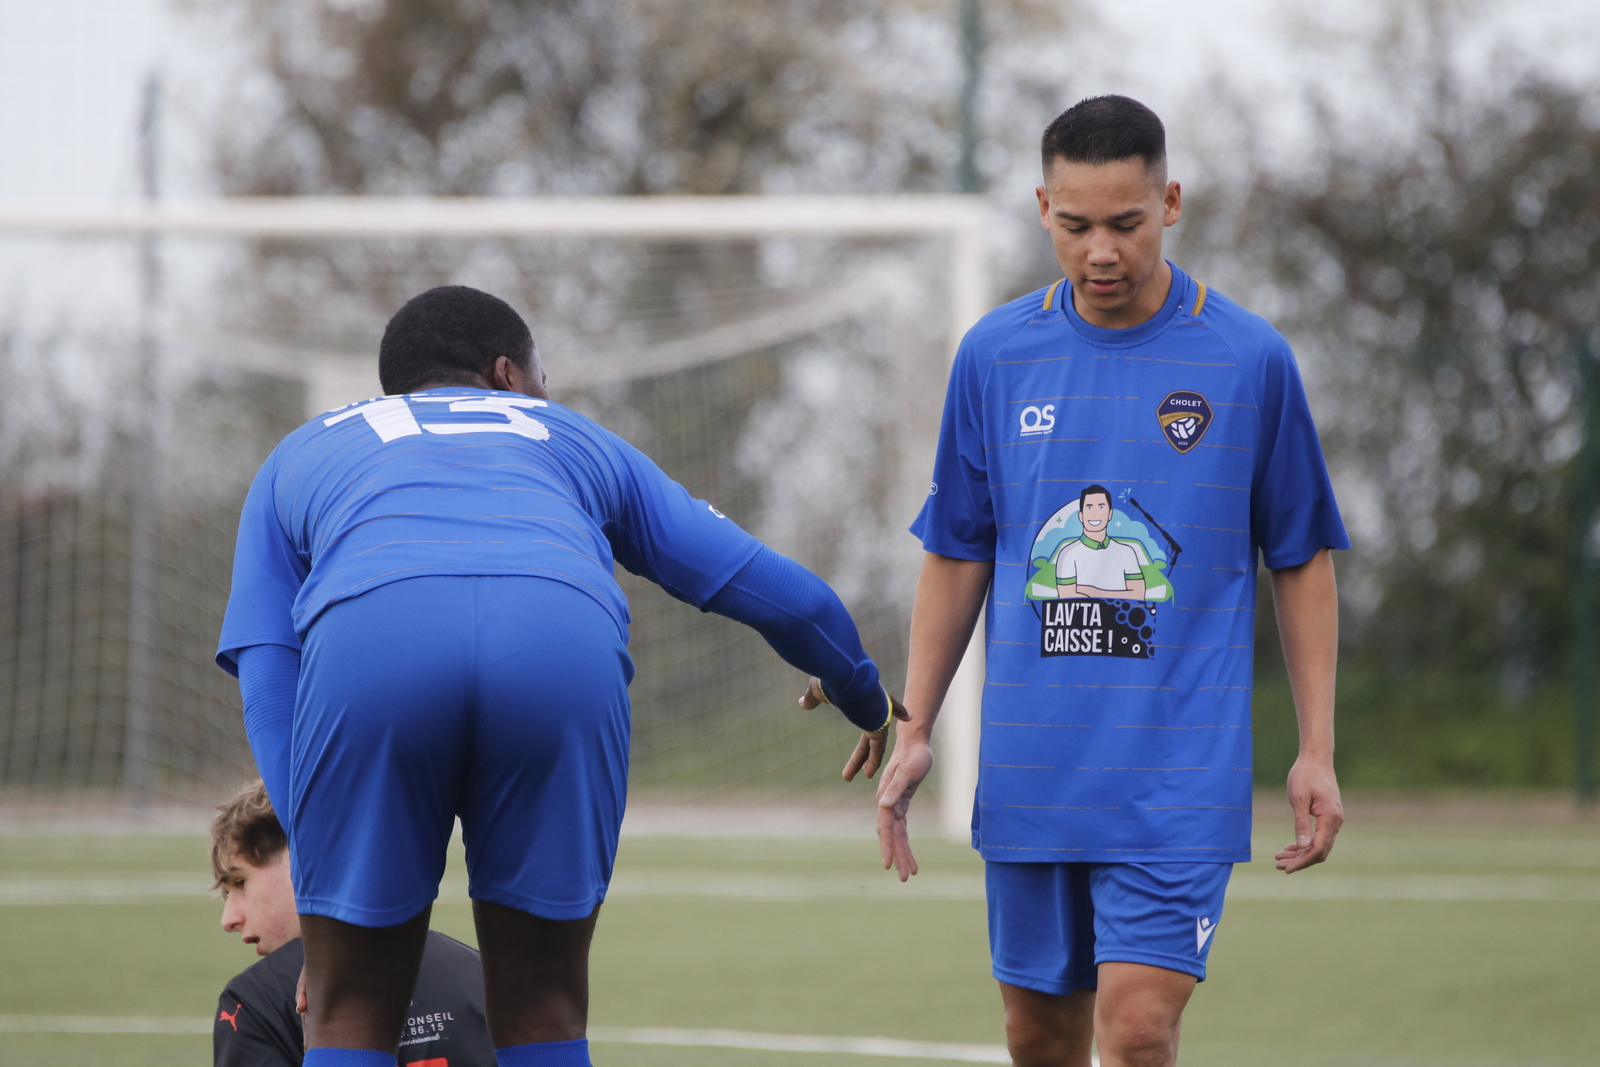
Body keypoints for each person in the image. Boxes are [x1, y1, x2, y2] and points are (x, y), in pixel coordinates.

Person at [217, 284, 903, 1067]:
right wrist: (863, 695)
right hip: (557, 642)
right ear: (508, 373)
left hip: (373, 646)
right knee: (543, 1004)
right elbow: (790, 597)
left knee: (348, 1008)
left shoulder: (303, 451)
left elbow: (268, 675)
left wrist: (321, 857)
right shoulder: (573, 436)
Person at [859, 95, 1349, 1067]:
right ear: (1043, 208)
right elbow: (957, 550)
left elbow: (1300, 557)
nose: (1100, 251)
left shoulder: (1248, 358)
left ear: (1170, 202)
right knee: (1037, 1038)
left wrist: (1316, 749)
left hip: (1178, 774)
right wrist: (914, 726)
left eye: (1125, 222)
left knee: (1135, 1029)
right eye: (1076, 225)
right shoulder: (994, 355)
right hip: (1034, 771)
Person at [210, 780, 496, 1067]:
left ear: (302, 857)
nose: (228, 919)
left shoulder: (255, 1002)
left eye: (240, 882)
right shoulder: (480, 974)